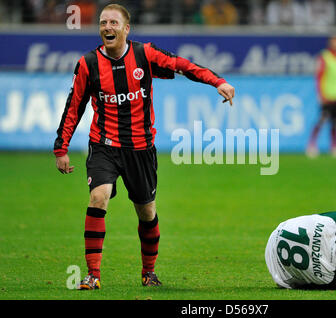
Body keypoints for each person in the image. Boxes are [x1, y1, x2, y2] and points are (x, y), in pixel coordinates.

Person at [53, 3, 235, 290]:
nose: (107, 27)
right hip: (104, 145)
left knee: (146, 212)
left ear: (126, 28)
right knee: (98, 197)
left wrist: (218, 82)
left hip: (141, 148)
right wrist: (60, 148)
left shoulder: (144, 54)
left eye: (113, 23)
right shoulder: (88, 64)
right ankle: (93, 274)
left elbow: (182, 66)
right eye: (103, 23)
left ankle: (148, 272)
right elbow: (73, 106)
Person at [306, 35, 336, 158]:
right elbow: (319, 76)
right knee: (322, 119)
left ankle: (335, 146)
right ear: (331, 43)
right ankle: (311, 145)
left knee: (335, 121)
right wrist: (320, 94)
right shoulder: (324, 57)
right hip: (326, 94)